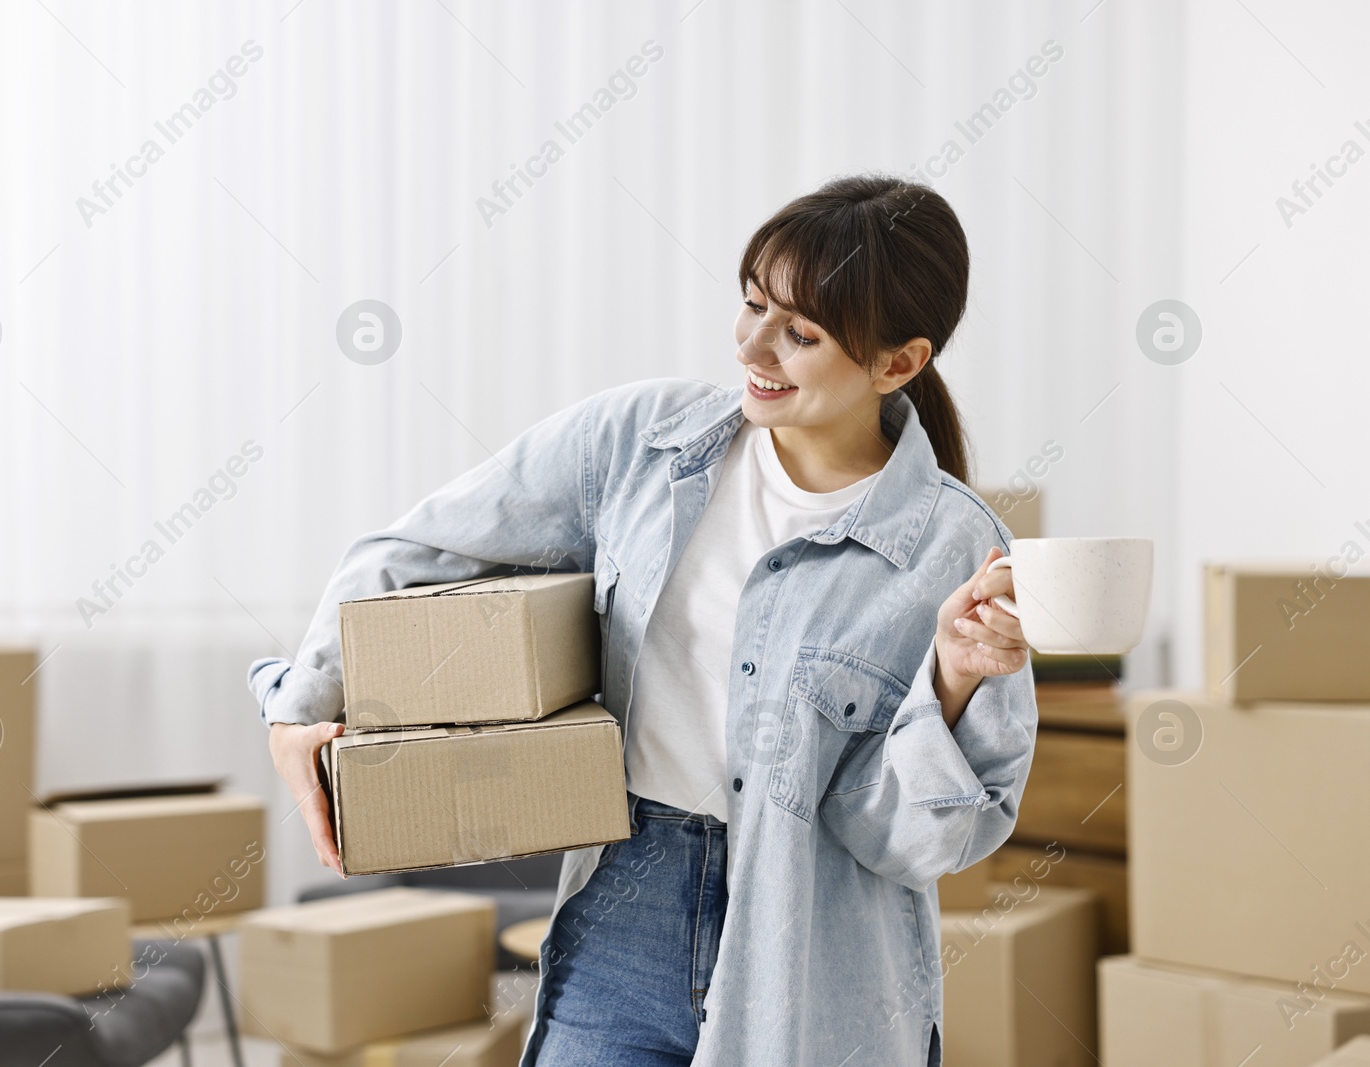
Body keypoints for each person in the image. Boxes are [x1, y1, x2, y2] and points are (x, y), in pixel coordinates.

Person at [251, 173, 1039, 1067]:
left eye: (800, 333)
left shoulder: (956, 549)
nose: (754, 347)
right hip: (628, 903)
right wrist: (295, 703)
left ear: (898, 363)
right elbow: (421, 546)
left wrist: (954, 681)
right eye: (751, 306)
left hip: (818, 954)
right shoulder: (638, 442)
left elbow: (911, 840)